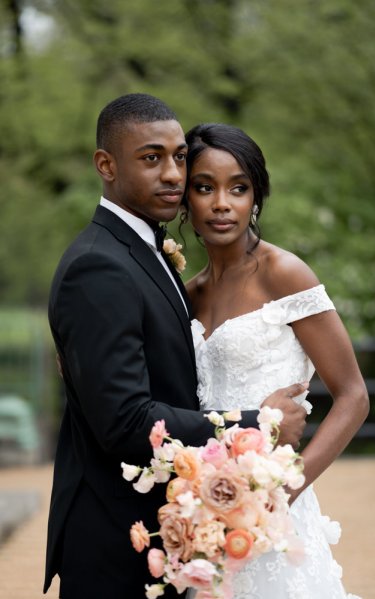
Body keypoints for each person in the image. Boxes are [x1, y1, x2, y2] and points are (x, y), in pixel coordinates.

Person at [43, 94, 309, 599]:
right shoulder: (97, 266)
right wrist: (257, 422)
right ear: (106, 165)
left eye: (179, 157)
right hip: (114, 542)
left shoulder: (148, 248)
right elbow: (124, 421)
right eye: (151, 158)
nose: (172, 174)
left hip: (170, 531)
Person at [183, 122, 369, 598]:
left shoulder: (283, 274)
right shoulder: (187, 293)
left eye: (238, 188)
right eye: (204, 188)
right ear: (185, 198)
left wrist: (282, 493)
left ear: (256, 198)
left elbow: (353, 397)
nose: (222, 203)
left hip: (278, 509)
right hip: (206, 509)